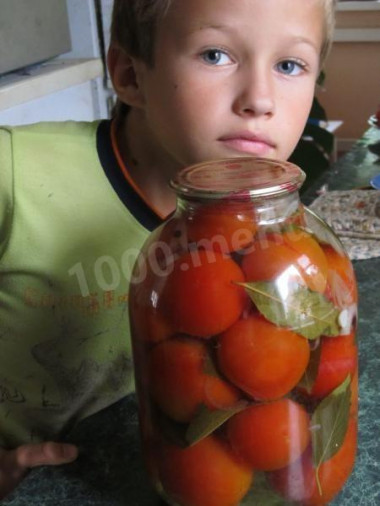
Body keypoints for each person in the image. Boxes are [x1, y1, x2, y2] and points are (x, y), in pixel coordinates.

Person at [0, 0, 336, 498]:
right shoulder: (17, 174)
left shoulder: (266, 232)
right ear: (130, 76)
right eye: (216, 55)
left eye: (289, 65)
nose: (260, 100)